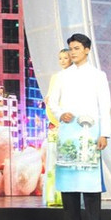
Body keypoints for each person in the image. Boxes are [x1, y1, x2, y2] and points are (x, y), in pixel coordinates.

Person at [48, 33, 111, 220]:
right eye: (71, 49)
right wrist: (59, 113)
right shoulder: (62, 76)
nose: (73, 52)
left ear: (86, 50)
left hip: (90, 132)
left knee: (89, 177)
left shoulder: (98, 75)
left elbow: (105, 105)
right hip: (68, 131)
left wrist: (105, 134)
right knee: (68, 176)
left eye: (76, 48)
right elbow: (52, 101)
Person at [42, 48, 72, 207]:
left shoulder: (74, 77)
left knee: (66, 161)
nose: (62, 61)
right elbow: (50, 97)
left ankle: (66, 198)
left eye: (65, 58)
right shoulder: (56, 77)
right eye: (60, 58)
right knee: (53, 161)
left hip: (68, 122)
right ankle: (53, 196)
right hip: (55, 122)